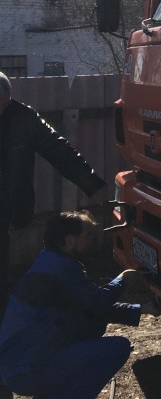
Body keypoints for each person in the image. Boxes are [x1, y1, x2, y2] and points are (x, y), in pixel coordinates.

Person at [0, 211, 161, 398]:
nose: (92, 241)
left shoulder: (48, 262)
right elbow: (99, 302)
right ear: (69, 241)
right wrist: (122, 279)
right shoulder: (61, 270)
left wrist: (144, 309)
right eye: (87, 236)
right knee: (117, 348)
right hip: (28, 368)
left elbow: (89, 308)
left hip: (19, 366)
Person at [0, 72, 106, 300]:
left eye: (4, 105)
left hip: (6, 206)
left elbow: (58, 150)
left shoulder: (22, 117)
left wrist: (91, 184)